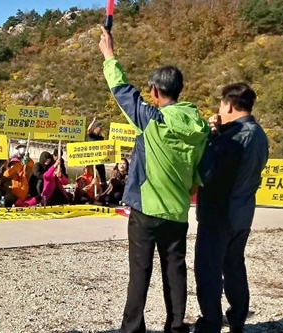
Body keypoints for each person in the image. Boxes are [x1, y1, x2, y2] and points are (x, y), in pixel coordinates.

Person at [99, 26, 210, 333]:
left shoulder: (153, 120)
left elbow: (122, 91)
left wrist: (109, 55)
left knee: (140, 272)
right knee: (175, 272)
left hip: (146, 210)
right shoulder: (199, 127)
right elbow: (199, 171)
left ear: (156, 92)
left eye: (150, 91)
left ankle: (132, 328)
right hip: (177, 211)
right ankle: (175, 327)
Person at [193, 83, 269, 333]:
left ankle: (210, 322)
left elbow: (210, 173)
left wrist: (210, 140)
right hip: (243, 213)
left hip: (220, 213)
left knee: (209, 269)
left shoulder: (234, 137)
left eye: (221, 105)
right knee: (234, 266)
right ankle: (237, 317)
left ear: (229, 105)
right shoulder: (258, 134)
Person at [87, 117, 108, 186]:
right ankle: (89, 185)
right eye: (100, 127)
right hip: (90, 157)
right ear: (96, 128)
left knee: (102, 172)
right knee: (89, 172)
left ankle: (103, 184)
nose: (101, 129)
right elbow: (88, 129)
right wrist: (93, 121)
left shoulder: (101, 137)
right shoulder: (91, 135)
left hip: (99, 157)